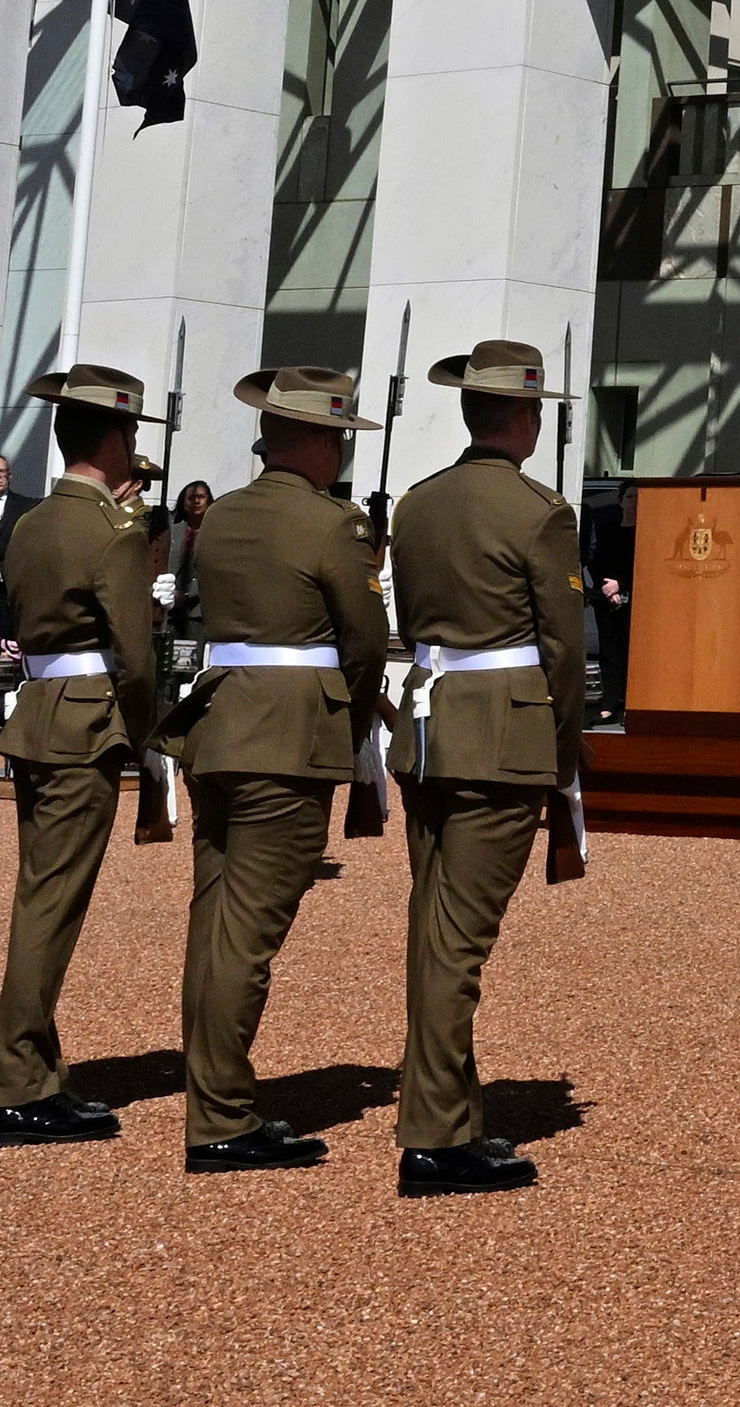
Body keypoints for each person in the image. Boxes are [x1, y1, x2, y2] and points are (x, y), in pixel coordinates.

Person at [386, 337, 588, 1197]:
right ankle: (433, 1138)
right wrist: (564, 756)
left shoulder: (416, 505)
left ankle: (453, 1111)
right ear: (524, 417)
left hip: (428, 731)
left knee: (433, 931)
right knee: (459, 942)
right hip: (502, 740)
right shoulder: (539, 512)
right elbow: (561, 648)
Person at [181, 366, 384, 1174]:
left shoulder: (222, 516)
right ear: (312, 440)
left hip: (221, 723)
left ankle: (213, 1097)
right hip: (289, 734)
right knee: (250, 933)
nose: (340, 453)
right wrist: (356, 721)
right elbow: (365, 641)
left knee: (215, 921)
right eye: (336, 438)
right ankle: (221, 1115)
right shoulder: (335, 525)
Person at [0, 363, 165, 1145]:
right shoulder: (111, 532)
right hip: (88, 718)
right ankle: (21, 1082)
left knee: (42, 897)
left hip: (38, 711)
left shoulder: (31, 522)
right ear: (119, 439)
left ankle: (39, 1068)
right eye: (132, 433)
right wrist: (150, 736)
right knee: (51, 907)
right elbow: (135, 655)